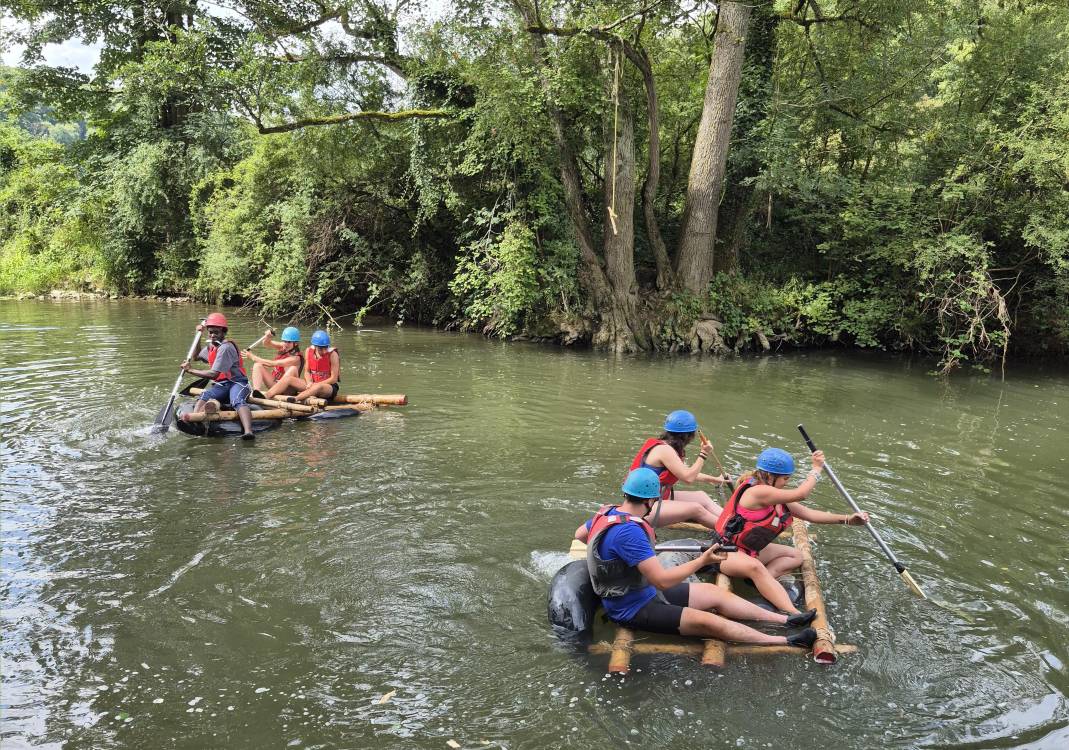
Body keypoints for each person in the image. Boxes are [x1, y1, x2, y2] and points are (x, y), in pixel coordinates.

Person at [580, 468, 817, 647]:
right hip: (632, 607)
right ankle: (784, 641)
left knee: (714, 594)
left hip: (643, 590)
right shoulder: (629, 533)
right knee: (710, 622)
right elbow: (662, 581)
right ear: (651, 500)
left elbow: (581, 535)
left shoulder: (608, 512)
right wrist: (702, 561)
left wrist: (614, 562)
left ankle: (784, 620)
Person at [714, 447, 870, 581]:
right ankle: (764, 582)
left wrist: (848, 519)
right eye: (785, 478)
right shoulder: (758, 492)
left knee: (796, 556)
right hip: (729, 552)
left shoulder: (775, 495)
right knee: (761, 567)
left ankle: (761, 581)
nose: (786, 482)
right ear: (769, 476)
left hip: (747, 550)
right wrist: (816, 469)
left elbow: (809, 514)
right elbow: (802, 494)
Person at [630, 409, 731, 528]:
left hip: (656, 498)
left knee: (701, 496)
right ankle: (731, 532)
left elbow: (685, 472)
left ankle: (732, 521)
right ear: (689, 436)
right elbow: (688, 478)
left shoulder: (666, 446)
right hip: (644, 507)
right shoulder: (664, 450)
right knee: (696, 509)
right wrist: (704, 453)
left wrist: (715, 479)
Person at [179, 312, 255, 440]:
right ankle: (196, 420)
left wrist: (190, 370)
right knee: (204, 395)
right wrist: (198, 336)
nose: (213, 335)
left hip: (238, 382)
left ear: (223, 332)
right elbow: (196, 356)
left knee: (237, 400)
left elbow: (214, 374)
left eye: (216, 332)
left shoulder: (226, 347)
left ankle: (248, 431)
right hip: (222, 384)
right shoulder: (212, 346)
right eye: (210, 332)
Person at [264, 329, 340, 402]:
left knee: (318, 387)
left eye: (326, 348)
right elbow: (307, 372)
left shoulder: (333, 355)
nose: (324, 351)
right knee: (288, 378)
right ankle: (266, 395)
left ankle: (295, 399)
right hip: (311, 384)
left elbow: (334, 379)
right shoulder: (308, 351)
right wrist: (309, 382)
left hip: (328, 387)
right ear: (315, 346)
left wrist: (316, 384)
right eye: (321, 349)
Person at [243, 327, 303, 395]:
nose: (286, 344)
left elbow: (272, 363)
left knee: (293, 369)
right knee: (257, 365)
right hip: (275, 384)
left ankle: (268, 394)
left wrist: (253, 357)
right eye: (284, 341)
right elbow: (267, 343)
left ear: (296, 343)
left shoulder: (296, 358)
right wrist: (268, 337)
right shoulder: (283, 346)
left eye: (289, 342)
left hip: (288, 389)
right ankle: (256, 392)